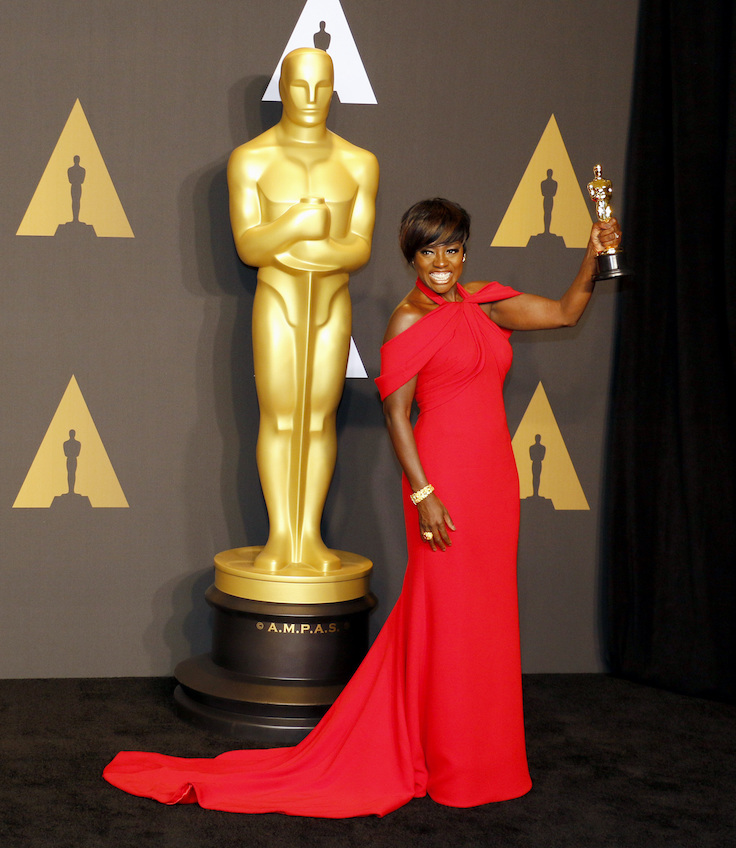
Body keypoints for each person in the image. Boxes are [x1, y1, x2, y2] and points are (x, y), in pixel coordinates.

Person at [103, 198, 620, 817]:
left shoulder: (483, 299)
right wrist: (424, 493)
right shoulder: (405, 322)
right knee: (447, 611)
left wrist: (592, 255)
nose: (441, 263)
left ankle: (483, 755)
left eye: (451, 248)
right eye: (427, 251)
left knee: (483, 615)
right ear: (410, 258)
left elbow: (565, 313)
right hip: (441, 480)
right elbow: (396, 415)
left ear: (466, 251)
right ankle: (450, 761)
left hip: (495, 481)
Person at [228, 46, 378, 571]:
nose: (312, 98)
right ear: (282, 89)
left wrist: (306, 247)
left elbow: (359, 247)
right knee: (280, 417)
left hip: (331, 301)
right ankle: (279, 536)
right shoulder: (252, 159)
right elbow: (250, 245)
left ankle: (308, 536)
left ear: (334, 89)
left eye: (322, 86)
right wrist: (296, 226)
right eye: (299, 85)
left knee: (318, 419)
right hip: (277, 298)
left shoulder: (358, 163)